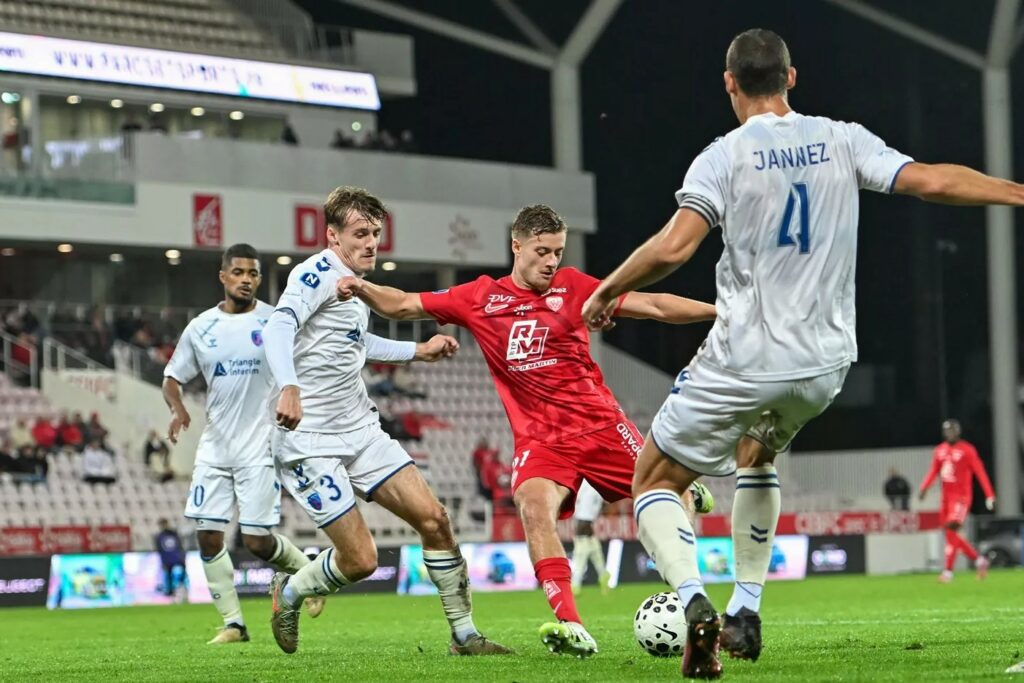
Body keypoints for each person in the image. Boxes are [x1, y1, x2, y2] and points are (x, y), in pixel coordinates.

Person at [580, 28, 1024, 678]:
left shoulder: (723, 156)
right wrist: (1017, 192)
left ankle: (695, 602)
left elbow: (675, 247)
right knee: (756, 452)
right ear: (792, 78)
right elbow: (930, 179)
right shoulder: (844, 138)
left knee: (654, 481)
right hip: (823, 365)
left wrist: (608, 288)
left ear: (729, 84)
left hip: (744, 355)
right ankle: (748, 609)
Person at [338, 203, 716, 658]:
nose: (552, 261)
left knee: (670, 497)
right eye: (542, 251)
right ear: (516, 246)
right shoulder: (480, 297)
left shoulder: (574, 287)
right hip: (541, 440)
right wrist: (359, 287)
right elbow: (402, 304)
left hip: (600, 426)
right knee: (533, 506)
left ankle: (686, 574)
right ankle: (572, 625)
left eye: (557, 251)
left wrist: (721, 312)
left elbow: (653, 304)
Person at [262, 186, 510, 657]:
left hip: (360, 429)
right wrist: (289, 385)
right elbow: (279, 325)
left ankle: (464, 635)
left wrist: (417, 351)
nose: (371, 242)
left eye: (376, 232)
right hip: (309, 440)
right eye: (360, 233)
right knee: (360, 560)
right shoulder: (314, 273)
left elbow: (358, 346)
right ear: (333, 237)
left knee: (434, 520)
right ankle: (291, 591)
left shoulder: (356, 288)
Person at [162, 243, 324, 645]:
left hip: (259, 448)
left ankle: (307, 572)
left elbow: (303, 363)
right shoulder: (202, 328)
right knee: (207, 535)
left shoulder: (275, 321)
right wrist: (178, 408)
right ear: (223, 276)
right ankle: (234, 624)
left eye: (253, 273)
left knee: (256, 541)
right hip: (214, 447)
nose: (247, 280)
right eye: (239, 273)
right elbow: (171, 378)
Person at [918, 419, 995, 583]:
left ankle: (948, 572)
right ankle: (980, 560)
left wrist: (990, 494)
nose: (950, 434)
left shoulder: (967, 450)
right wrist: (924, 487)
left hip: (961, 498)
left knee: (952, 529)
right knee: (950, 534)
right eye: (947, 431)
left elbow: (979, 471)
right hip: (946, 498)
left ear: (958, 432)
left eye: (953, 430)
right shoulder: (940, 451)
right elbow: (934, 471)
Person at [570, 480, 610, 595]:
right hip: (587, 516)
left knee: (580, 553)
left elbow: (583, 506)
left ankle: (575, 584)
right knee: (594, 548)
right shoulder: (594, 481)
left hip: (584, 518)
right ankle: (603, 575)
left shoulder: (588, 482)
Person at [154, 519, 186, 598]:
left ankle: (182, 587)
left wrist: (182, 556)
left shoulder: (173, 534)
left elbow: (179, 546)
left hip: (177, 557)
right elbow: (159, 550)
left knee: (183, 572)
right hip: (167, 559)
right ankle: (170, 591)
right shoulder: (160, 536)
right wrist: (162, 560)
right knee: (168, 575)